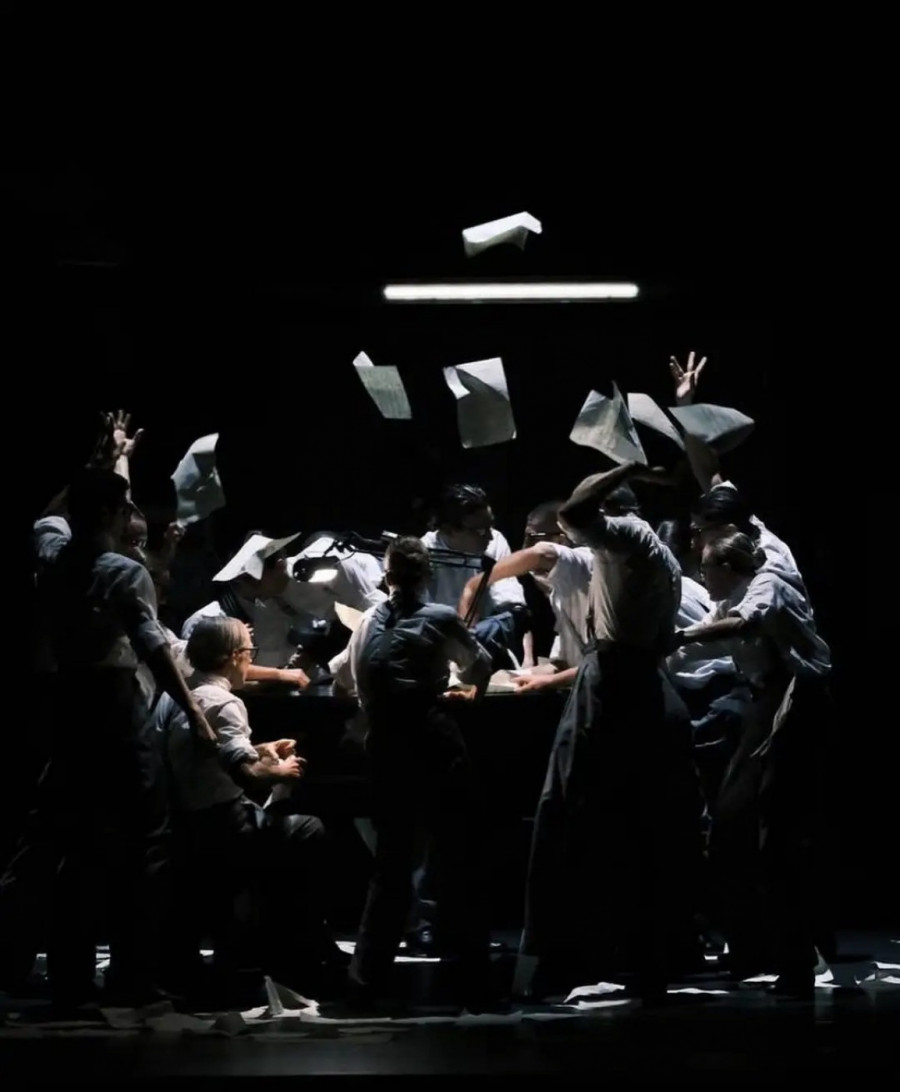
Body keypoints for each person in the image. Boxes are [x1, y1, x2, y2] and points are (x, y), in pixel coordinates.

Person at [515, 461, 701, 1003]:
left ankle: (565, 959)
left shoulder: (628, 538)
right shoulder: (643, 554)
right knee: (632, 825)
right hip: (635, 679)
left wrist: (629, 466)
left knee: (570, 813)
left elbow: (575, 512)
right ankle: (637, 957)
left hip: (617, 682)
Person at [32, 462, 215, 1008]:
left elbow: (47, 518)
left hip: (64, 700)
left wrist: (101, 457)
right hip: (112, 702)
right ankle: (133, 973)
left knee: (76, 842)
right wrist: (195, 712)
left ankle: (69, 976)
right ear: (112, 513)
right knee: (145, 841)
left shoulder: (52, 554)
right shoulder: (122, 571)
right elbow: (153, 647)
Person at [333, 536, 494, 1012]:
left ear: (387, 578)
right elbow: (480, 665)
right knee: (459, 855)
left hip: (385, 748)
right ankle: (473, 978)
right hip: (431, 742)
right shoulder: (440, 617)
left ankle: (365, 982)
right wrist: (473, 694)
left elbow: (342, 678)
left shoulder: (367, 621)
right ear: (426, 575)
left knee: (391, 865)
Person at [668, 531, 832, 997]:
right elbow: (700, 646)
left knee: (775, 830)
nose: (702, 577)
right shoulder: (725, 601)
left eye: (707, 568)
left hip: (795, 700)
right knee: (738, 826)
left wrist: (676, 636)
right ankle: (767, 948)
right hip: (767, 701)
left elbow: (743, 624)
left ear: (727, 567)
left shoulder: (766, 584)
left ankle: (797, 958)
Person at [154, 616, 343, 999]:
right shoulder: (226, 704)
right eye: (249, 652)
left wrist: (261, 749)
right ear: (233, 657)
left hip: (184, 821)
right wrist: (282, 770)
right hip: (220, 824)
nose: (250, 659)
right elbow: (250, 777)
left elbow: (208, 754)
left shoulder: (178, 697)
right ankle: (296, 947)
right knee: (309, 828)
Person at [421, 484, 528, 671]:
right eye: (480, 531)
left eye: (490, 526)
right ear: (449, 529)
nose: (490, 537)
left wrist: (528, 659)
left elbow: (511, 604)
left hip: (483, 642)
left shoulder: (495, 543)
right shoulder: (424, 552)